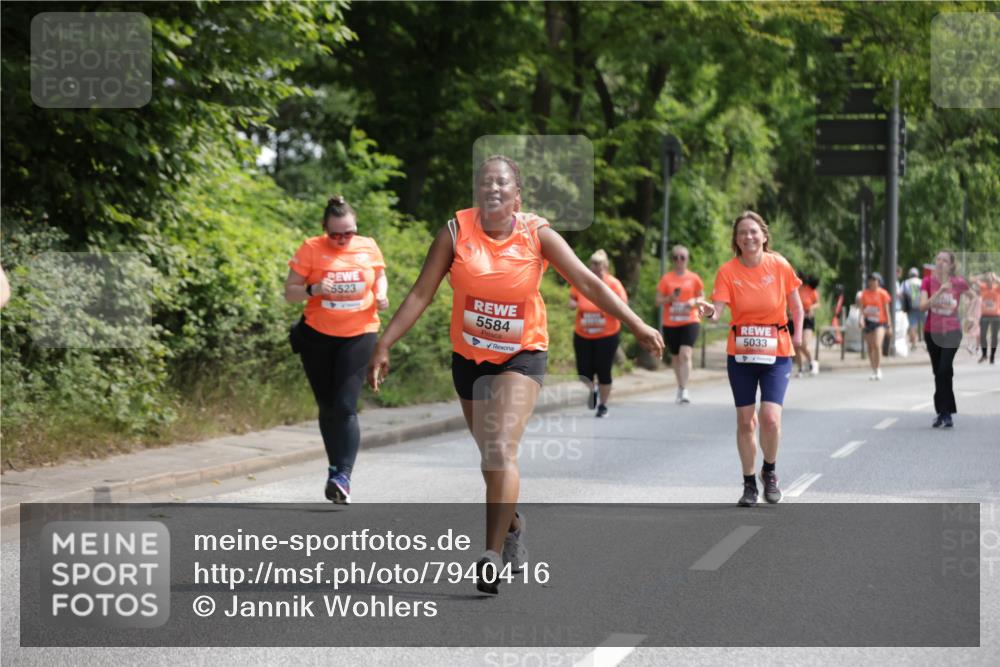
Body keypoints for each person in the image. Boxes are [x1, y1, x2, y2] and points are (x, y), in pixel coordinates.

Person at [367, 155, 663, 595]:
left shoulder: (537, 234)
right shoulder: (454, 232)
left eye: (502, 183)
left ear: (517, 196)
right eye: (485, 182)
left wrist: (637, 323)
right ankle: (514, 525)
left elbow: (587, 281)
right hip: (469, 359)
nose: (493, 188)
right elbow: (420, 293)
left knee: (502, 449)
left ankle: (490, 555)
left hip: (522, 355)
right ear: (476, 193)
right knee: (491, 458)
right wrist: (384, 342)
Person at [284, 196, 389, 505]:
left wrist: (381, 294)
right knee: (327, 406)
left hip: (359, 333)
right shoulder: (311, 249)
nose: (343, 240)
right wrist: (313, 290)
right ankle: (334, 468)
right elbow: (289, 292)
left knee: (345, 406)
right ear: (324, 230)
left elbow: (380, 275)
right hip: (317, 336)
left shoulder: (368, 246)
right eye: (336, 234)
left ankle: (343, 475)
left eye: (349, 232)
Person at [697, 211, 803, 508]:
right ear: (736, 240)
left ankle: (769, 470)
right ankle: (748, 484)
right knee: (746, 421)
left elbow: (797, 306)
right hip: (741, 354)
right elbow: (717, 312)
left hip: (777, 351)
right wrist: (707, 310)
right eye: (743, 233)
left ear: (764, 236)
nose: (749, 237)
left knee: (769, 418)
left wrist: (798, 337)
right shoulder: (728, 271)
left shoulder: (779, 264)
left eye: (754, 231)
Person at [919, 250, 976, 428]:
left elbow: (974, 297)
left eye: (945, 260)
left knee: (944, 369)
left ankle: (946, 413)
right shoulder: (928, 282)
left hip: (952, 332)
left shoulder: (958, 283)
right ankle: (943, 411)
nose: (941, 262)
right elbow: (922, 306)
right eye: (938, 259)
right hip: (932, 332)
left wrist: (970, 315)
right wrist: (939, 292)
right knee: (940, 372)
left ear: (951, 265)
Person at [569, 249, 629, 417]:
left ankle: (603, 405)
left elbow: (623, 304)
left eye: (600, 264)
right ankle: (592, 390)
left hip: (607, 335)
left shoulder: (614, 284)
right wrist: (572, 303)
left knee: (603, 370)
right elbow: (572, 297)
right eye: (594, 264)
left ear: (606, 266)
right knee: (583, 372)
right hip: (583, 334)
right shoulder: (583, 282)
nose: (596, 267)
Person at [656, 244, 704, 404]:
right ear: (672, 260)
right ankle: (680, 386)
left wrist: (693, 301)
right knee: (676, 358)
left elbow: (702, 298)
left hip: (690, 320)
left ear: (687, 259)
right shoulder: (666, 279)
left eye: (682, 257)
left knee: (685, 353)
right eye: (675, 257)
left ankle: (684, 389)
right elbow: (657, 301)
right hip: (671, 322)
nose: (679, 261)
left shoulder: (694, 278)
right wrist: (669, 299)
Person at [857, 272, 893, 380]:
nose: (872, 282)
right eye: (871, 280)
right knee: (870, 346)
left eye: (875, 280)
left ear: (879, 282)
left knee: (877, 344)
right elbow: (862, 309)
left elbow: (887, 310)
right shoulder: (864, 294)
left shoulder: (883, 293)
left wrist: (889, 324)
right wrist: (861, 319)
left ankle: (878, 368)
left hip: (880, 322)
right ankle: (873, 369)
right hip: (868, 321)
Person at [795, 274, 820, 377]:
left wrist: (811, 308)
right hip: (795, 319)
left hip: (807, 319)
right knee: (796, 345)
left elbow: (818, 304)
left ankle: (812, 362)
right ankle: (800, 368)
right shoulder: (794, 289)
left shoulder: (810, 290)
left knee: (804, 344)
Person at [975, 270, 1000, 364]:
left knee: (994, 336)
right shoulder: (983, 287)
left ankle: (992, 356)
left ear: (993, 280)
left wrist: (995, 276)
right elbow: (974, 280)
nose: (989, 280)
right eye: (988, 279)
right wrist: (983, 275)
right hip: (984, 315)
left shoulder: (997, 288)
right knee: (982, 336)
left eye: (991, 279)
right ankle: (984, 355)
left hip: (996, 316)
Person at [903, 267, 924, 351]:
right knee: (925, 324)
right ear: (917, 274)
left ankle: (913, 344)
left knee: (912, 326)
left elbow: (901, 294)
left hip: (911, 307)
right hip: (922, 305)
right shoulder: (921, 282)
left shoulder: (906, 283)